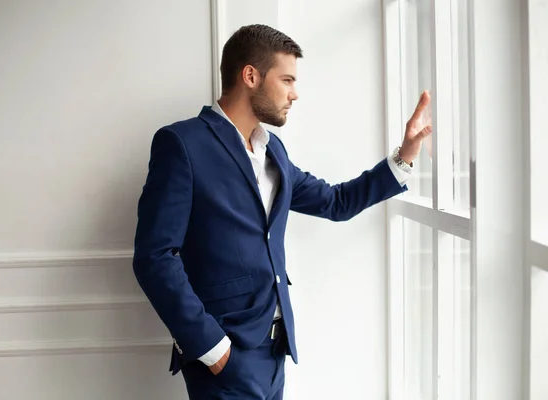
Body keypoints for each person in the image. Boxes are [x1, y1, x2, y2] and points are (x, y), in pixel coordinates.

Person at [132, 24, 431, 400]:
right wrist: (213, 348)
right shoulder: (182, 144)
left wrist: (403, 158)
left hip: (276, 352)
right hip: (224, 356)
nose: (295, 93)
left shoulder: (274, 151)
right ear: (251, 75)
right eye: (287, 79)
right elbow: (154, 256)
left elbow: (335, 202)